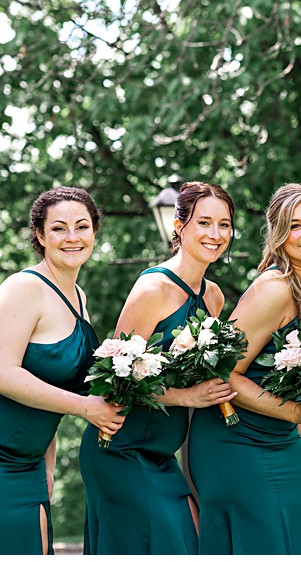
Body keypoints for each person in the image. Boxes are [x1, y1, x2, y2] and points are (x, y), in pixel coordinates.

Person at [0, 187, 124, 553]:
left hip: (28, 457)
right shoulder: (23, 287)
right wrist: (85, 408)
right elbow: (1, 374)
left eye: (82, 226)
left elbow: (50, 386)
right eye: (59, 228)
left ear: (94, 232)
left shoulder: (80, 298)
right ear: (41, 236)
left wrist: (47, 462)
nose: (73, 237)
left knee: (37, 546)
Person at [80, 181, 238, 553]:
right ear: (179, 227)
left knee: (190, 541)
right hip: (120, 446)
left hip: (163, 453)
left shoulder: (212, 297)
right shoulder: (153, 290)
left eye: (224, 224)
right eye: (204, 223)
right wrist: (186, 396)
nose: (215, 234)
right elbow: (111, 377)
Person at [185, 183, 301, 553]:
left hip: (281, 436)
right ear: (279, 238)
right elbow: (222, 373)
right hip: (235, 438)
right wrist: (299, 413)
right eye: (294, 226)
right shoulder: (275, 289)